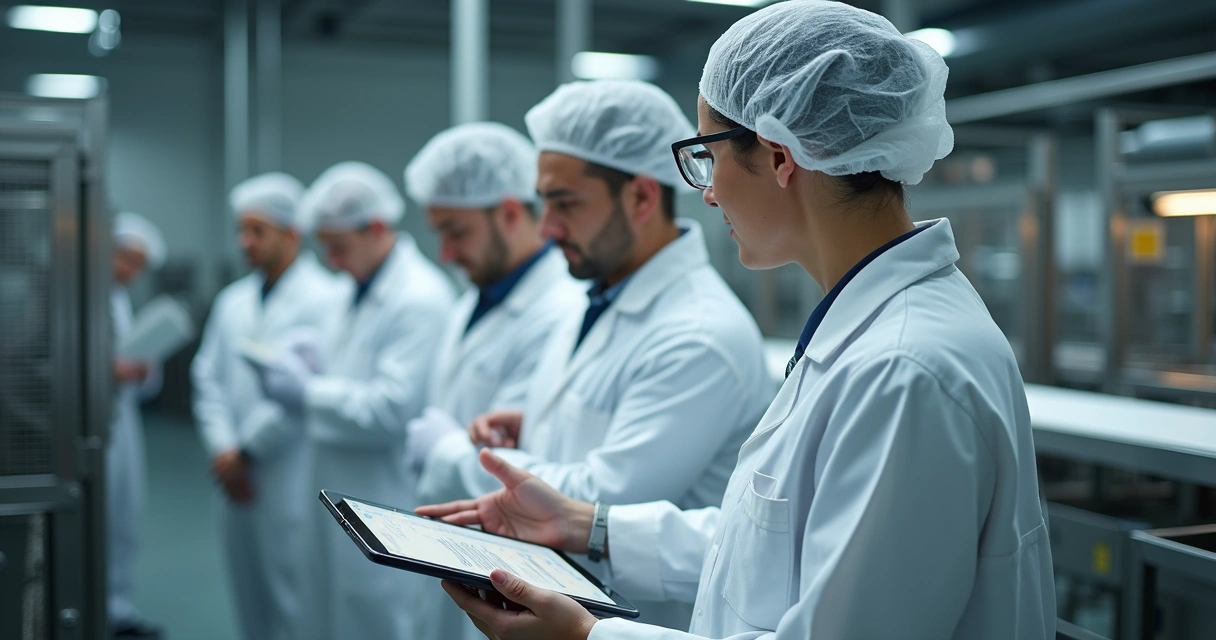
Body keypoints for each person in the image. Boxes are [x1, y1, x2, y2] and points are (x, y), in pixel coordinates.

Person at [418, 2, 1057, 638]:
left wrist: (588, 637)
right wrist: (587, 526)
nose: (709, 191)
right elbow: (772, 538)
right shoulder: (874, 332)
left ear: (781, 156)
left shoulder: (903, 370)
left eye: (707, 155)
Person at [421, 80, 772, 630]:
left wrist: (452, 453)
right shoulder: (602, 296)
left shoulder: (698, 333)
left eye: (564, 204)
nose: (546, 228)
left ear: (640, 197)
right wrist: (537, 422)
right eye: (544, 203)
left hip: (638, 620)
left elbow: (598, 503)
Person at [255, 161, 455, 640]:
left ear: (378, 228)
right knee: (328, 612)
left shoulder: (420, 297)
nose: (332, 261)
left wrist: (308, 391)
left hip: (386, 497)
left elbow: (391, 408)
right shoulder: (352, 289)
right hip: (338, 488)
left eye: (339, 247)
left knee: (377, 616)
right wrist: (312, 359)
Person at [403, 122, 587, 639]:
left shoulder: (558, 311)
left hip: (504, 558)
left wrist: (445, 449)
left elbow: (530, 470)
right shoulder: (472, 300)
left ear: (509, 214)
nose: (444, 252)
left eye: (455, 231)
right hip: (454, 540)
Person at [191, 173, 343, 640]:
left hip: (286, 471)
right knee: (248, 590)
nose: (246, 242)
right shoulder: (233, 301)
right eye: (242, 230)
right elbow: (207, 377)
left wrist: (248, 453)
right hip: (232, 472)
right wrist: (224, 449)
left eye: (258, 231)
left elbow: (304, 393)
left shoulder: (325, 299)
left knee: (293, 594)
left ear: (292, 233)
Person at [108, 211, 167, 638]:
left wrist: (143, 370)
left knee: (125, 512)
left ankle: (117, 604)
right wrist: (108, 371)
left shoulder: (121, 299)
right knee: (104, 512)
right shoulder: (81, 295)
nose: (132, 269)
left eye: (139, 263)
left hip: (123, 422)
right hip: (97, 422)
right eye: (126, 257)